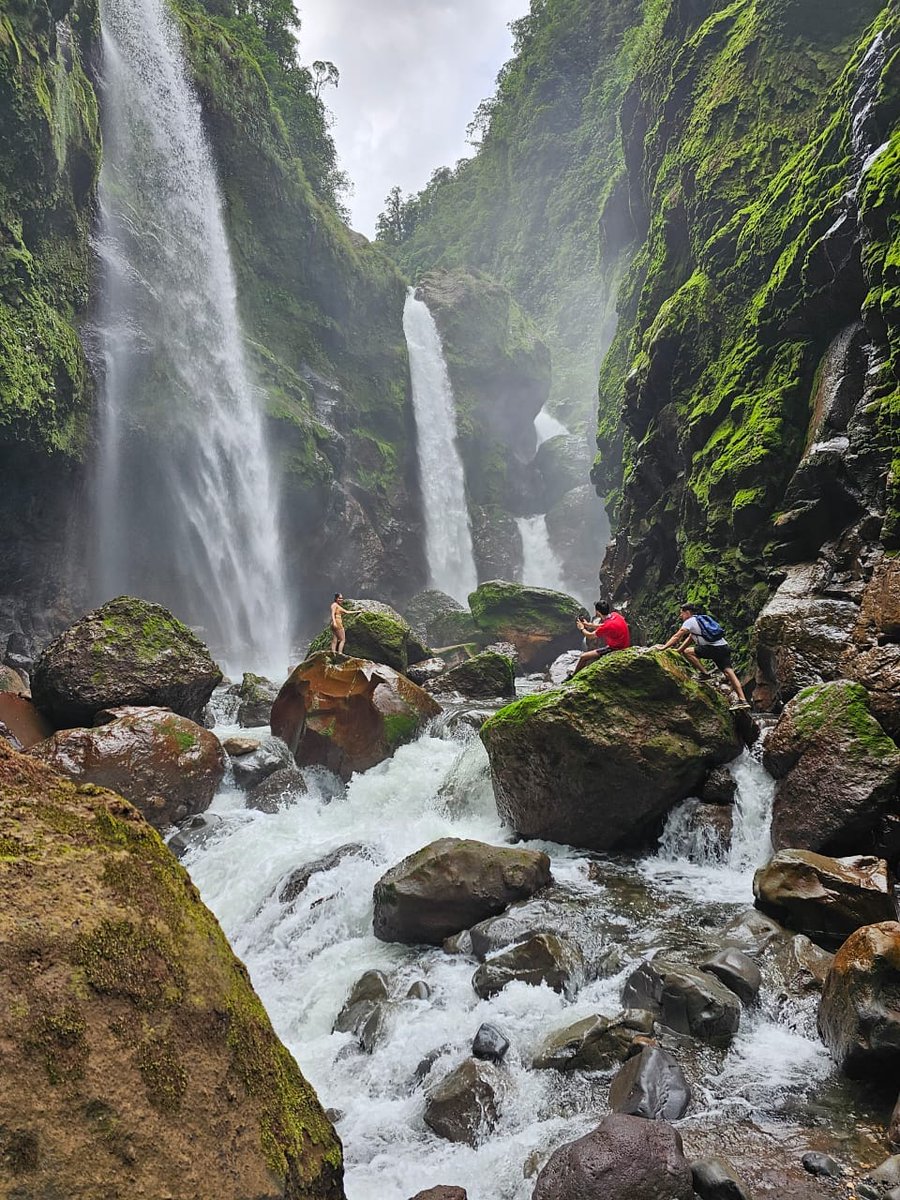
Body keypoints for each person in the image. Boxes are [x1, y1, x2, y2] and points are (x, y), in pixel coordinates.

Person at [655, 602, 749, 709]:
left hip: (713, 649)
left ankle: (705, 674)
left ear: (687, 612)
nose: (680, 616)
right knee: (729, 672)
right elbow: (691, 638)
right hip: (724, 647)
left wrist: (663, 648)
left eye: (681, 613)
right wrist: (679, 650)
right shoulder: (700, 619)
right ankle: (743, 700)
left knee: (688, 652)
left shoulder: (689, 621)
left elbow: (677, 636)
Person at [571, 601, 631, 675]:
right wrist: (589, 625)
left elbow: (590, 636)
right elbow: (605, 625)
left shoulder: (607, 626)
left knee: (583, 657)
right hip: (625, 644)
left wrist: (582, 628)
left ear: (598, 612)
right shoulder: (615, 615)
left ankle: (573, 676)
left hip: (617, 648)